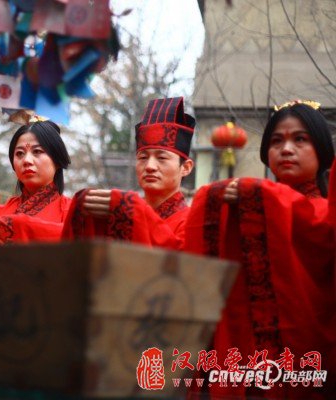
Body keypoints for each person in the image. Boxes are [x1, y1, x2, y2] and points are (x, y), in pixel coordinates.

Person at [185, 100, 335, 398]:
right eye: (277, 140)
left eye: (300, 139)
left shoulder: (324, 213)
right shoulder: (244, 205)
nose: (286, 149)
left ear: (322, 150)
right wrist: (215, 201)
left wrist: (260, 197)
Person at [63, 96, 194, 249]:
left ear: (186, 167)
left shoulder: (192, 222)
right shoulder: (118, 212)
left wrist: (135, 211)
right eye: (143, 157)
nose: (150, 166)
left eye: (162, 158)